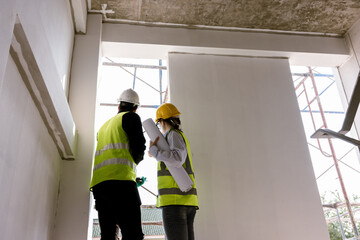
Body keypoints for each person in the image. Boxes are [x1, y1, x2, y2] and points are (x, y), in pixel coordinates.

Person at [90, 88, 146, 240]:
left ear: (118, 106)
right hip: (122, 186)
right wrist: (136, 162)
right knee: (133, 235)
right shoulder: (131, 117)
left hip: (100, 186)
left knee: (108, 235)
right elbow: (139, 149)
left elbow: (112, 155)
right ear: (135, 108)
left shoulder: (103, 127)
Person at [149, 103, 199, 240]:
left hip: (175, 202)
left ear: (162, 121)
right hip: (185, 200)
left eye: (159, 123)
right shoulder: (177, 136)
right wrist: (157, 152)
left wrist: (155, 151)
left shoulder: (173, 135)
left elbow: (176, 158)